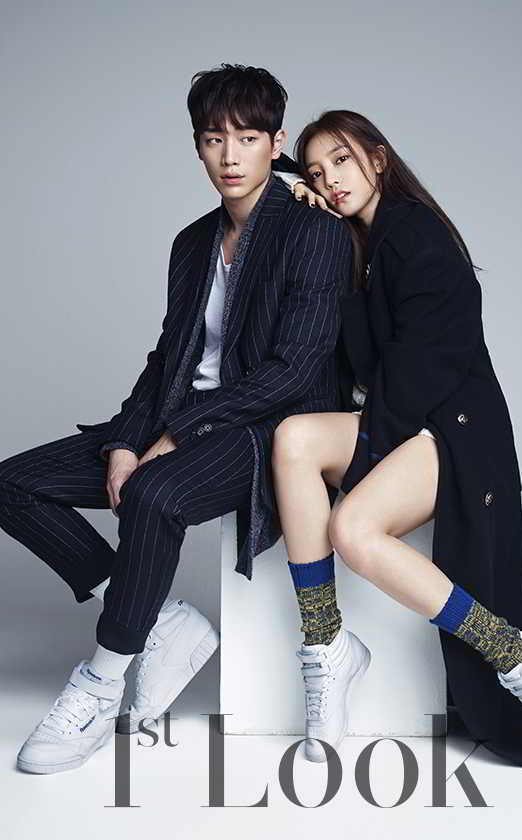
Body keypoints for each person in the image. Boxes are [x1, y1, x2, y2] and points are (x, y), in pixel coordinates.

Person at [0, 66, 352, 774]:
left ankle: (101, 680)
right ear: (197, 147)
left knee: (155, 495)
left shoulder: (315, 232)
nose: (230, 156)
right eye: (214, 139)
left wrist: (177, 437)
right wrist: (127, 440)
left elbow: (293, 370)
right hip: (182, 415)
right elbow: (167, 359)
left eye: (247, 139)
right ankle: (159, 622)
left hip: (266, 426)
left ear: (276, 142)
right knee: (12, 484)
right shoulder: (192, 242)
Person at [269, 110, 522, 770]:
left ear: (379, 158)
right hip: (404, 423)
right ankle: (327, 646)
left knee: (353, 530)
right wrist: (300, 200)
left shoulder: (416, 234)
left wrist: (370, 457)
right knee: (294, 439)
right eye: (318, 173)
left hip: (454, 430)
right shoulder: (357, 244)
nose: (330, 181)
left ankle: (518, 656)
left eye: (342, 161)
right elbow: (352, 361)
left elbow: (429, 364)